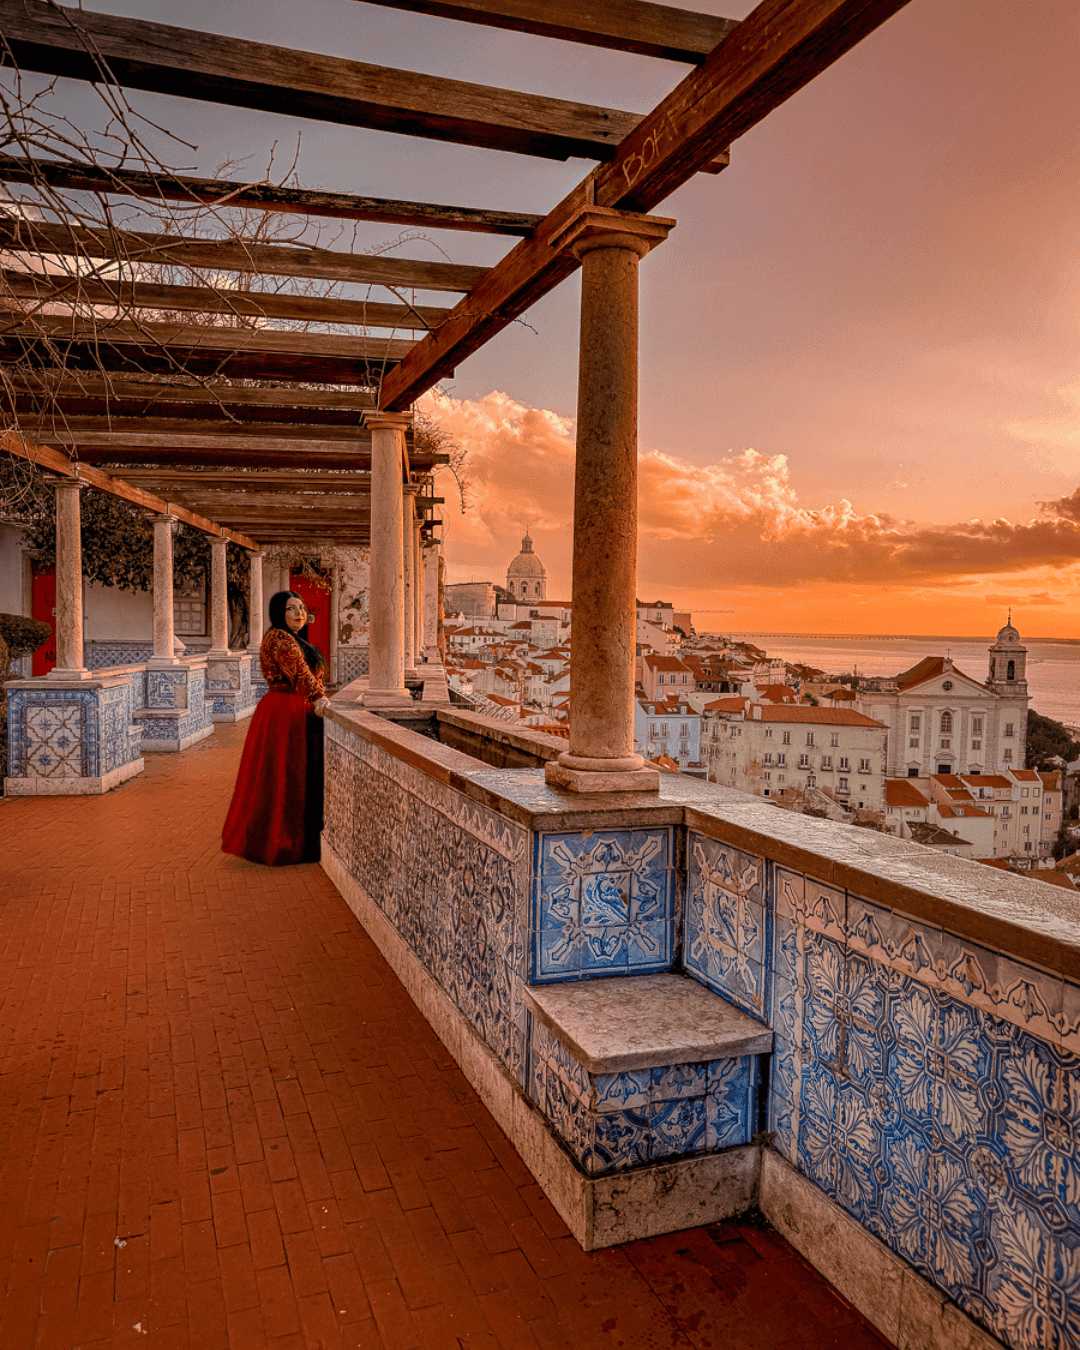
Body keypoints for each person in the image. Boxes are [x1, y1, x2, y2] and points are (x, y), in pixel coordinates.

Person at [222, 590, 330, 866]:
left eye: (302, 608)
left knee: (295, 775)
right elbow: (302, 676)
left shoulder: (298, 640)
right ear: (277, 614)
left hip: (297, 711)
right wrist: (320, 700)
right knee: (283, 775)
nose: (299, 613)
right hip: (284, 712)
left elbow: (310, 676)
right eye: (291, 608)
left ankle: (296, 841)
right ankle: (280, 843)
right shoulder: (279, 638)